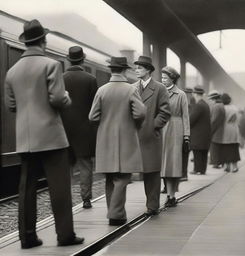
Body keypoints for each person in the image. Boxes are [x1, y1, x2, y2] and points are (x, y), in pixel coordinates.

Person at [4, 19, 84, 248]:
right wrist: (67, 96)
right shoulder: (51, 65)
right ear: (43, 41)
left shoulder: (12, 72)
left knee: (26, 188)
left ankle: (27, 237)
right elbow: (58, 99)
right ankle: (65, 235)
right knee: (59, 187)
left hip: (25, 139)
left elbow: (11, 105)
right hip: (51, 136)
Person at [89, 57, 146, 226]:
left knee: (110, 178)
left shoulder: (102, 90)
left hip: (105, 139)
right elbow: (140, 113)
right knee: (123, 177)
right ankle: (116, 214)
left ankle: (113, 212)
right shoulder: (130, 89)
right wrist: (135, 124)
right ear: (124, 70)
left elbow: (92, 116)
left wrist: (104, 124)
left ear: (111, 70)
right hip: (126, 138)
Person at [133, 56, 171, 216]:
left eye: (139, 68)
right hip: (134, 136)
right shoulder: (132, 87)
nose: (136, 70)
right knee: (134, 171)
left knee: (152, 171)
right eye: (136, 68)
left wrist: (153, 126)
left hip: (151, 137)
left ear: (148, 70)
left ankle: (153, 206)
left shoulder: (160, 88)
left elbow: (165, 112)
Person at [61, 46, 98, 209]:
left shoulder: (60, 78)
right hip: (85, 129)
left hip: (63, 129)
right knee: (85, 165)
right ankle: (86, 199)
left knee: (65, 166)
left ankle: (65, 199)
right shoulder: (90, 79)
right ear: (83, 60)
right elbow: (95, 106)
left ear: (69, 59)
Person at [160, 67, 190, 207]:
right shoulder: (160, 92)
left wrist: (186, 136)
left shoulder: (181, 94)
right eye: (162, 77)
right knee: (164, 164)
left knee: (173, 163)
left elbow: (185, 117)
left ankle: (171, 195)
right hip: (161, 129)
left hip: (176, 129)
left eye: (165, 78)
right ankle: (168, 193)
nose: (162, 80)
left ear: (172, 78)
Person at [189, 86, 211, 175]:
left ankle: (197, 169)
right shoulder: (205, 104)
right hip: (205, 134)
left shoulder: (198, 105)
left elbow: (191, 119)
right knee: (203, 153)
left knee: (197, 152)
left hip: (198, 134)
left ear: (195, 94)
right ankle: (202, 170)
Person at [220, 93, 240, 172]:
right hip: (234, 130)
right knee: (234, 149)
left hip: (225, 131)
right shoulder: (235, 108)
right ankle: (235, 166)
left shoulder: (223, 108)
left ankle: (227, 166)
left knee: (225, 149)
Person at [207, 90, 225, 168]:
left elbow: (213, 121)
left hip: (215, 131)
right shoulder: (222, 105)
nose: (210, 101)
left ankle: (215, 163)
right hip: (221, 129)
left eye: (210, 99)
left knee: (214, 147)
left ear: (213, 99)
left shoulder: (216, 107)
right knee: (219, 147)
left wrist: (209, 130)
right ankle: (220, 162)